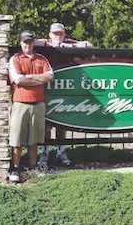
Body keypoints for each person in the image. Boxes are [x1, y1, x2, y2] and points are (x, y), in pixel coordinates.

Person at [36, 22, 93, 166]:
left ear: (64, 34)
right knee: (46, 123)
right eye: (55, 33)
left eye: (60, 33)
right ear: (50, 34)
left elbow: (89, 45)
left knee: (62, 123)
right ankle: (45, 152)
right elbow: (33, 42)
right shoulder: (44, 43)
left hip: (65, 89)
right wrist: (51, 46)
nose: (57, 36)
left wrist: (69, 47)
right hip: (48, 89)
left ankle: (61, 151)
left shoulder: (69, 44)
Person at [8, 30, 54, 183]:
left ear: (33, 42)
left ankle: (32, 168)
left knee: (34, 139)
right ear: (20, 43)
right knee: (17, 139)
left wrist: (30, 77)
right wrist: (39, 80)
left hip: (38, 104)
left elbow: (50, 76)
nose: (27, 44)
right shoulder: (15, 59)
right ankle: (15, 168)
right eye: (24, 42)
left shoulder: (42, 59)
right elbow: (18, 80)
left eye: (30, 41)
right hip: (20, 103)